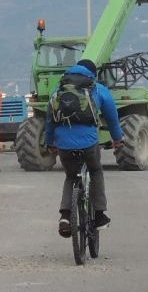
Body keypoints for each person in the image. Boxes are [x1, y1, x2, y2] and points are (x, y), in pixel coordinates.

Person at [44, 59, 124, 236]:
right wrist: (117, 139)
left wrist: (50, 143)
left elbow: (50, 118)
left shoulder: (59, 88)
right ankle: (100, 215)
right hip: (88, 142)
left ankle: (65, 216)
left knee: (71, 177)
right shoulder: (96, 88)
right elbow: (112, 118)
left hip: (63, 143)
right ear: (92, 74)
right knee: (95, 172)